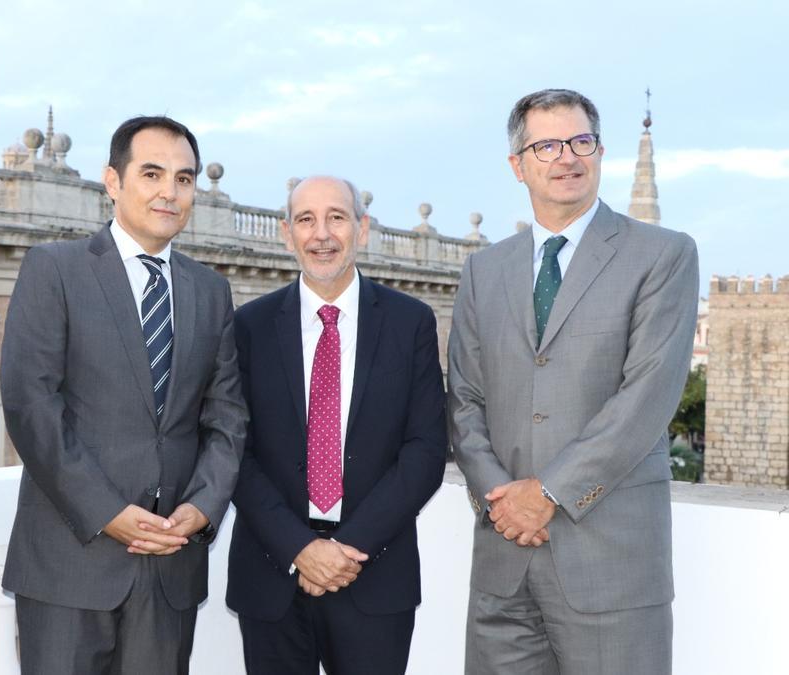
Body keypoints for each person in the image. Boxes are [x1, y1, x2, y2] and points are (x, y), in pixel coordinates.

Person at [448, 89, 698, 675]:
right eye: (547, 145)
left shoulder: (662, 255)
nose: (567, 157)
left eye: (581, 141)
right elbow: (464, 397)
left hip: (610, 566)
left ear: (600, 150)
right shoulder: (485, 269)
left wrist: (548, 494)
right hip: (503, 564)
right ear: (519, 165)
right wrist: (500, 503)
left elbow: (648, 397)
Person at [0, 115, 247, 674]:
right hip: (69, 563)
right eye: (152, 174)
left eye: (184, 179)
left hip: (169, 569)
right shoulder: (54, 269)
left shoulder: (210, 291)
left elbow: (227, 418)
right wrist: (107, 511)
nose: (170, 192)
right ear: (113, 181)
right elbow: (31, 406)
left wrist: (202, 509)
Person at [226, 175, 448, 674]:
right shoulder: (250, 327)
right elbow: (233, 450)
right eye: (306, 219)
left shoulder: (409, 321)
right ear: (287, 233)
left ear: (362, 228)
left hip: (374, 573)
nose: (321, 234)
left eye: (336, 218)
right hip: (271, 575)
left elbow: (425, 450)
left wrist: (346, 550)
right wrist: (300, 548)